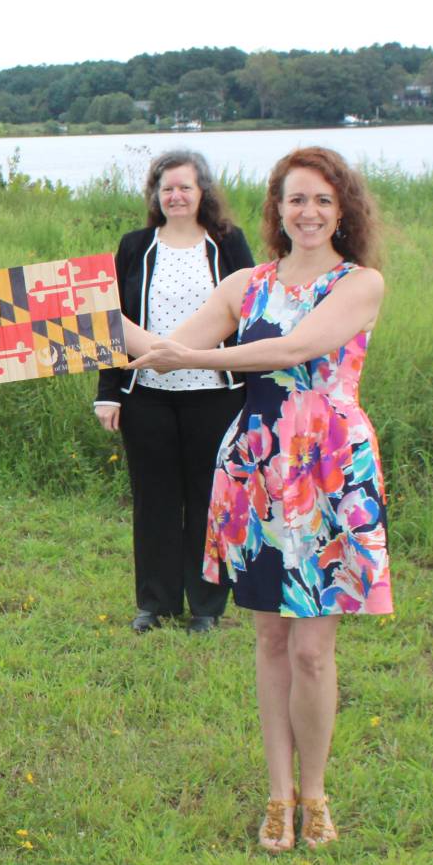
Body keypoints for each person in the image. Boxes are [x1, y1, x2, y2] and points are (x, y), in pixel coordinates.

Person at [126, 147, 390, 853]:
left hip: (330, 472)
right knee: (271, 637)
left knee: (312, 648)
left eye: (322, 201)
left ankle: (315, 793)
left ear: (344, 211)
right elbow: (163, 349)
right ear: (276, 208)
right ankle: (278, 795)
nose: (307, 213)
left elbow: (293, 350)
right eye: (294, 199)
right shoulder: (247, 283)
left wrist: (197, 361)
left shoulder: (359, 283)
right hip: (260, 469)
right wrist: (74, 318)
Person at [95, 150, 255, 633]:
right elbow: (108, 321)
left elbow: (250, 314)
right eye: (167, 188)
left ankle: (206, 606)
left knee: (210, 500)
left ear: (202, 191)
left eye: (185, 187)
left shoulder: (228, 243)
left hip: (217, 393)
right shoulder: (135, 245)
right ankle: (155, 603)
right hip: (146, 396)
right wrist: (110, 392)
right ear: (156, 196)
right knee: (154, 500)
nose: (176, 196)